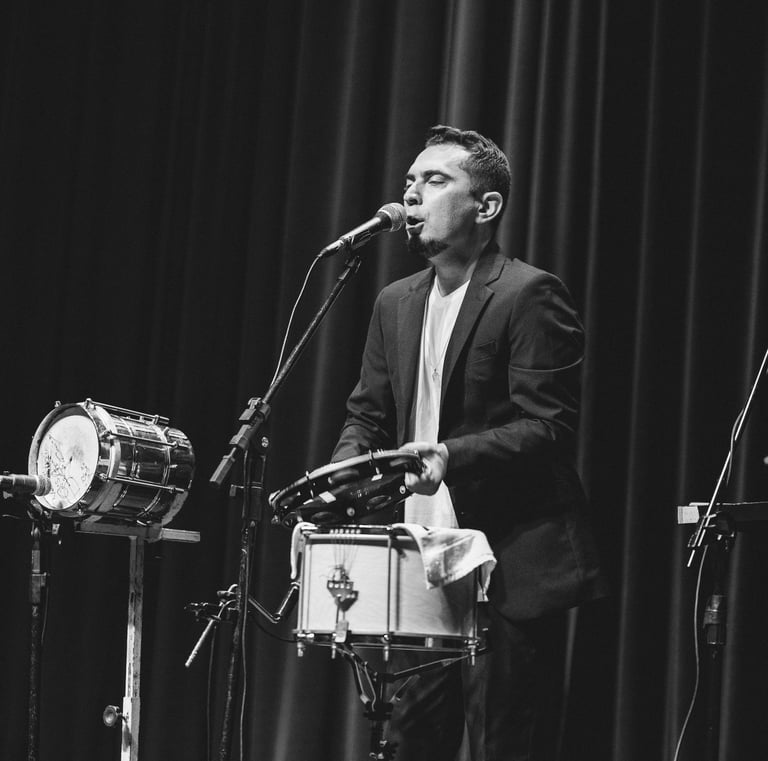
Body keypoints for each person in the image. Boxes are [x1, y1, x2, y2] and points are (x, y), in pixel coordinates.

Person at [331, 125, 605, 761]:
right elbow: (367, 415)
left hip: (508, 558)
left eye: (434, 180)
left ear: (486, 206)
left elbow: (548, 426)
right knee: (411, 740)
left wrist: (451, 455)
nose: (411, 195)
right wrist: (340, 477)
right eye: (409, 181)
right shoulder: (395, 302)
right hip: (419, 557)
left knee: (502, 743)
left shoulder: (528, 293)